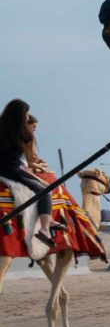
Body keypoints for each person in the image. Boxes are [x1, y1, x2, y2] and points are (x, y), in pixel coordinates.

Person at [0, 99, 64, 248]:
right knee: (45, 189)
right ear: (21, 115)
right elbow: (31, 160)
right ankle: (44, 229)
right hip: (13, 169)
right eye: (26, 113)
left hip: (4, 167)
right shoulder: (24, 133)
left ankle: (48, 219)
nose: (28, 116)